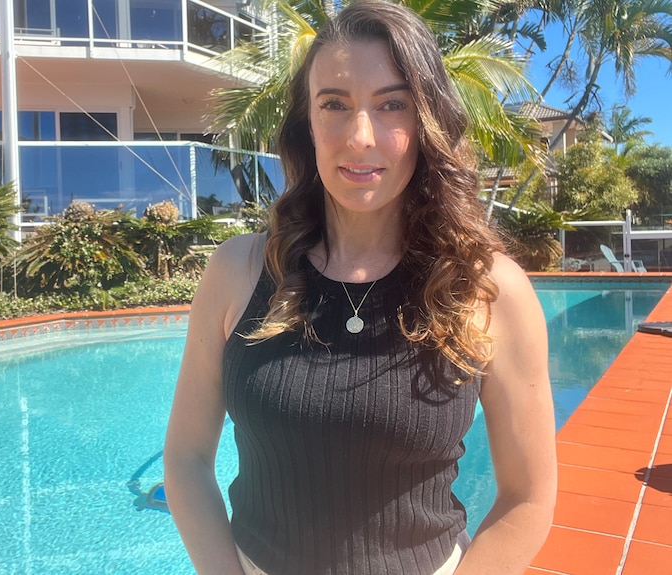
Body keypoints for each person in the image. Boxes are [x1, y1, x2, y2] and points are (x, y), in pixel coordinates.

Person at [163, 1, 557, 574]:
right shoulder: (239, 271)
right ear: (308, 124)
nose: (360, 136)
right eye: (335, 105)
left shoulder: (487, 289)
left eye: (391, 104)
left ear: (426, 122)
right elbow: (186, 458)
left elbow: (529, 497)